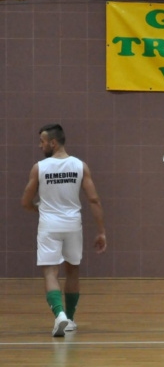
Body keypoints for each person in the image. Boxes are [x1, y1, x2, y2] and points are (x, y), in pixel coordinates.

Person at [21, 124, 107, 337]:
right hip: (73, 225)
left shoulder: (39, 168)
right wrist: (101, 231)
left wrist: (35, 209)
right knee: (73, 271)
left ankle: (58, 315)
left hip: (49, 225)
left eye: (42, 141)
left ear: (53, 142)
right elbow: (94, 200)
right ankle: (69, 319)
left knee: (51, 272)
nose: (40, 146)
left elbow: (25, 201)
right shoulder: (80, 166)